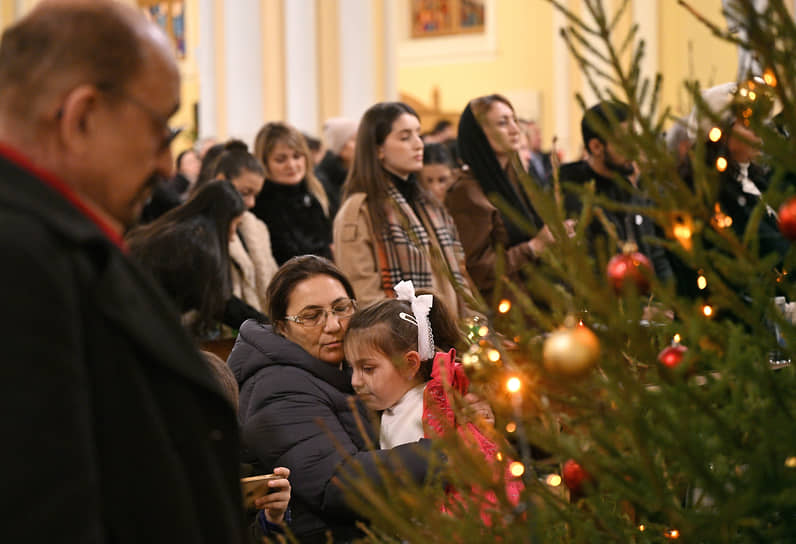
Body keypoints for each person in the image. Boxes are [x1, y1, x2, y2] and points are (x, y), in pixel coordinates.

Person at [0, 2, 246, 542]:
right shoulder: (18, 259)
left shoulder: (59, 239)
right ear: (81, 116)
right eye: (162, 128)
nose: (166, 165)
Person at [228, 256, 434, 542]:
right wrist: (444, 454)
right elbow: (336, 484)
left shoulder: (346, 363)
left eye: (341, 308)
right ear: (282, 327)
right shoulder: (276, 389)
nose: (334, 325)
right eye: (312, 316)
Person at [344, 280, 521, 522]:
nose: (355, 381)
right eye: (351, 368)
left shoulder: (425, 411)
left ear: (410, 364)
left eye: (367, 368)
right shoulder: (404, 404)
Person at [334, 101, 476, 318]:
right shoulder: (360, 211)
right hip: (401, 340)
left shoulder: (428, 204)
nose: (419, 144)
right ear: (378, 149)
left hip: (450, 333)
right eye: (405, 137)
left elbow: (457, 276)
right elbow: (365, 296)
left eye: (418, 134)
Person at [446, 94, 571, 303]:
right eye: (503, 123)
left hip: (536, 302)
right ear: (479, 134)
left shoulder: (517, 180)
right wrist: (533, 247)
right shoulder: (467, 192)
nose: (515, 129)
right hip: (502, 311)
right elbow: (478, 269)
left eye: (514, 120)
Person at [127, 179, 266, 337]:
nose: (233, 237)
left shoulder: (170, 230)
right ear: (222, 221)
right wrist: (268, 326)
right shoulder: (197, 246)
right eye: (234, 225)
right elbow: (221, 304)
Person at [558, 101, 673, 283]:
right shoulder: (573, 197)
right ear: (596, 147)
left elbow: (654, 254)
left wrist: (665, 303)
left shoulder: (628, 189)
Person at [207, 140, 279, 318]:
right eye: (245, 192)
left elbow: (274, 282)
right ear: (221, 181)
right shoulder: (201, 229)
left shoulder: (257, 227)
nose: (251, 203)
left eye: (255, 195)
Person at [252, 122, 333, 265]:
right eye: (280, 159)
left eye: (297, 156)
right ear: (264, 163)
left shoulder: (315, 193)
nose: (291, 165)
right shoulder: (258, 204)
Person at [315, 117, 358, 218]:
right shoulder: (321, 180)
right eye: (354, 140)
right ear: (340, 146)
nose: (360, 145)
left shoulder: (352, 173)